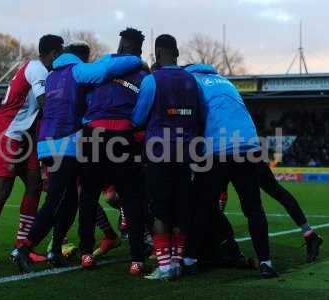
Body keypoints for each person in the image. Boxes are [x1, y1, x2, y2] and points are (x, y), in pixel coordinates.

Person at [13, 42, 143, 272]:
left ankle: (54, 251)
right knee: (58, 199)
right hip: (67, 142)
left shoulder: (53, 75)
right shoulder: (78, 70)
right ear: (81, 58)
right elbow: (104, 71)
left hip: (47, 142)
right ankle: (24, 247)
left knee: (71, 200)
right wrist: (135, 60)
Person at [0, 35, 64, 266]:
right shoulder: (37, 69)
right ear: (54, 53)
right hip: (7, 133)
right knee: (3, 189)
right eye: (60, 53)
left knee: (35, 185)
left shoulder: (39, 70)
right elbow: (45, 103)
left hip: (25, 135)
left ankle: (22, 245)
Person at [184, 63, 278, 279]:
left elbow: (195, 116)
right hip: (248, 144)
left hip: (218, 148)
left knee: (202, 206)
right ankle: (266, 263)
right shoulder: (225, 82)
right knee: (253, 208)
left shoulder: (191, 82)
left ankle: (189, 261)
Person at [132, 34, 205, 280]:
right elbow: (202, 116)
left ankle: (164, 267)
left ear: (158, 52)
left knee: (160, 211)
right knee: (180, 209)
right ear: (177, 51)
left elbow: (138, 118)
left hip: (159, 152)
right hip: (187, 152)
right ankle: (176, 262)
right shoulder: (192, 81)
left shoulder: (152, 80)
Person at [78, 28, 149, 275]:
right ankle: (137, 259)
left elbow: (84, 92)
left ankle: (86, 253)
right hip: (122, 135)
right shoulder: (144, 75)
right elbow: (142, 113)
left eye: (121, 46)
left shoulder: (103, 66)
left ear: (122, 47)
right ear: (139, 50)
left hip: (93, 133)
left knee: (88, 196)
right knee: (131, 197)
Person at [218, 161, 323, 263]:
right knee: (278, 193)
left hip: (235, 157)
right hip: (249, 154)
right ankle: (309, 234)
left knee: (253, 206)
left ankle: (228, 246)